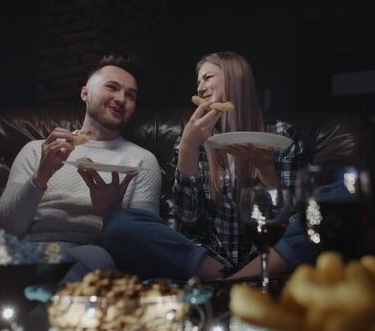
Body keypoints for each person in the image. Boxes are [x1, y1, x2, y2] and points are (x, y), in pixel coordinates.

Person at [0, 54, 162, 281]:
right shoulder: (37, 149)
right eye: (112, 87)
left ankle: (34, 326)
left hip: (82, 254)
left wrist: (111, 214)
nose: (121, 99)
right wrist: (40, 178)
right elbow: (3, 229)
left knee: (98, 262)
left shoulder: (142, 161)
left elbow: (140, 250)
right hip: (19, 250)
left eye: (131, 95)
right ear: (85, 93)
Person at [102, 51, 314, 281]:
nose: (200, 88)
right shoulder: (194, 139)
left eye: (208, 77)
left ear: (236, 79)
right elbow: (189, 222)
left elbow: (290, 221)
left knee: (320, 215)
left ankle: (235, 281)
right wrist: (187, 149)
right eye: (198, 82)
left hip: (267, 256)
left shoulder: (280, 136)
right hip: (210, 260)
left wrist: (266, 170)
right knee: (119, 224)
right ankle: (230, 280)